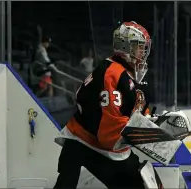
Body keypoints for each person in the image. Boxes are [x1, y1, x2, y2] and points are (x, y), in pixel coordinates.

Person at [54, 21, 155, 189]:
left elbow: (134, 109)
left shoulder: (126, 74)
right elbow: (110, 131)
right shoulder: (112, 73)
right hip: (84, 142)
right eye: (138, 46)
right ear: (125, 47)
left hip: (100, 144)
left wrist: (151, 122)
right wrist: (142, 131)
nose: (142, 52)